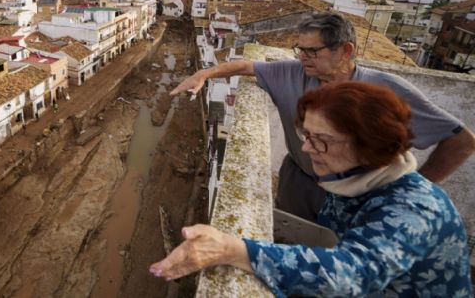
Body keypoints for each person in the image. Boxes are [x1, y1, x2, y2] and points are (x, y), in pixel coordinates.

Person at [151, 82, 472, 297]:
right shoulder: (352, 176)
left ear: (368, 145)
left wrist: (234, 250)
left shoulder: (414, 210)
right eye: (306, 134)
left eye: (321, 139)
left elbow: (350, 275)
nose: (307, 148)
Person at [171, 12, 475, 221]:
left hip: (360, 197)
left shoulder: (385, 90)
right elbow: (245, 66)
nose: (302, 57)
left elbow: (461, 141)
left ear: (345, 51)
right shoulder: (292, 72)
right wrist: (204, 74)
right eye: (299, 49)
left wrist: (418, 187)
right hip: (299, 185)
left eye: (312, 51)